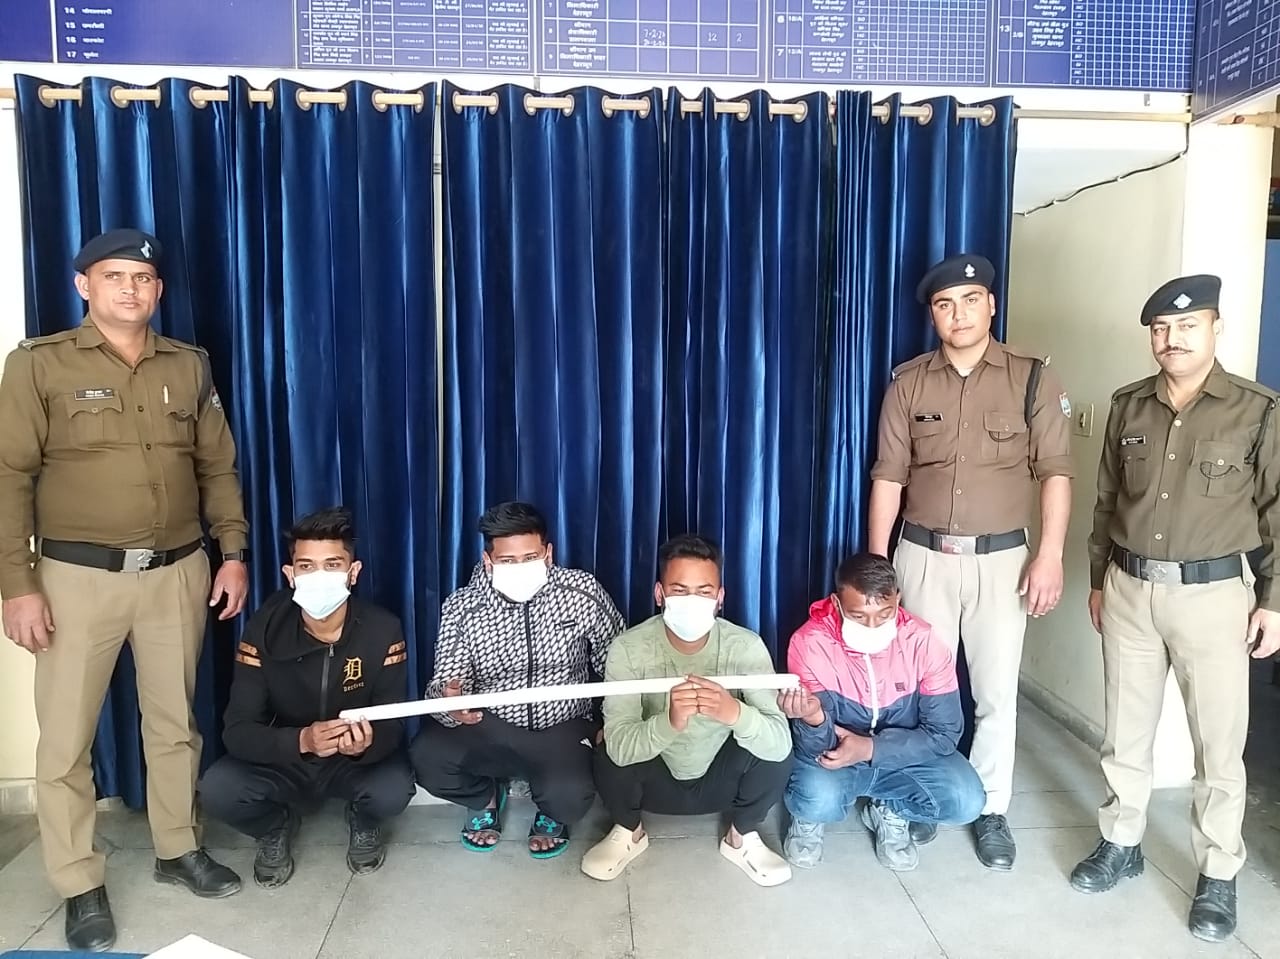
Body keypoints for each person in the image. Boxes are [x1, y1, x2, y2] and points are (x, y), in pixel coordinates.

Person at [0, 229, 250, 952]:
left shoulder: (188, 364)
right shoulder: (39, 364)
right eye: (113, 276)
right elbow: (9, 476)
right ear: (84, 285)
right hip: (76, 578)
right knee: (66, 740)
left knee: (174, 723)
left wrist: (231, 553)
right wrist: (16, 584)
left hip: (177, 571)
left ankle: (178, 847)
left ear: (158, 290)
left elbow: (217, 468)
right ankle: (79, 881)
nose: (130, 289)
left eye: (142, 278)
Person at [1070, 274, 1280, 942]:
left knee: (1218, 744)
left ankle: (1218, 872)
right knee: (1124, 731)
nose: (1172, 339)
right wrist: (1099, 579)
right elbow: (1107, 502)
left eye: (1187, 326)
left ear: (1216, 327)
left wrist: (1275, 602)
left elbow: (1278, 512)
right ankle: (1121, 841)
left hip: (1213, 597)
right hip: (1130, 588)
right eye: (1160, 328)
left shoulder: (1257, 410)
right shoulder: (1128, 405)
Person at [868, 252, 1074, 870]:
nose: (958, 314)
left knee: (994, 691)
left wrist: (1050, 555)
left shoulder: (1032, 378)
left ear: (991, 304)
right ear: (933, 315)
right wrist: (877, 566)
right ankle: (921, 793)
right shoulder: (909, 383)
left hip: (1001, 561)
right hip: (922, 555)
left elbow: (1056, 473)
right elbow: (888, 477)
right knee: (916, 689)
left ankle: (990, 807)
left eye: (970, 300)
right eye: (944, 304)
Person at [198, 507, 415, 887]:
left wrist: (364, 746)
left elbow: (392, 724)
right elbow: (237, 729)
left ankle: (364, 820)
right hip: (286, 757)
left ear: (353, 572)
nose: (319, 577)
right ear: (290, 575)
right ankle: (274, 826)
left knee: (394, 790)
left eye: (332, 565)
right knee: (218, 790)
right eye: (307, 566)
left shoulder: (383, 629)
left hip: (351, 762)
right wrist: (301, 740)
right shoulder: (264, 628)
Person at [410, 501, 624, 859]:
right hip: (491, 726)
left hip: (564, 724)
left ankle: (550, 808)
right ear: (488, 560)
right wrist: (450, 703)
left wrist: (615, 719)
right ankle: (485, 797)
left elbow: (618, 658)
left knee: (570, 800)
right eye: (508, 560)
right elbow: (444, 681)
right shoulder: (463, 606)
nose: (520, 567)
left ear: (548, 554)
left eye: (531, 557)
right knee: (425, 757)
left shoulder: (581, 591)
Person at [582, 534, 794, 887]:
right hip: (655, 780)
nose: (691, 601)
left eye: (703, 591)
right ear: (659, 594)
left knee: (775, 747)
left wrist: (734, 713)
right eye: (679, 591)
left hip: (721, 778)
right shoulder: (629, 647)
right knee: (608, 746)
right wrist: (669, 723)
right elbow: (619, 748)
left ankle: (741, 836)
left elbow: (779, 744)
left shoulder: (745, 646)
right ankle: (629, 831)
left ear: (720, 598)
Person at [779, 553, 985, 872]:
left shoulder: (923, 642)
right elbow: (811, 747)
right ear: (836, 604)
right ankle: (808, 819)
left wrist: (871, 748)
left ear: (897, 600)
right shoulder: (809, 643)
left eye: (884, 614)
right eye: (859, 616)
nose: (873, 626)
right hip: (835, 757)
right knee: (818, 799)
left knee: (966, 800)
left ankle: (890, 809)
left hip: (902, 757)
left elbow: (944, 733)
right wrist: (814, 719)